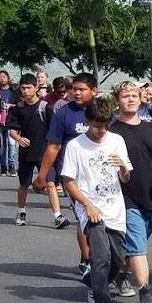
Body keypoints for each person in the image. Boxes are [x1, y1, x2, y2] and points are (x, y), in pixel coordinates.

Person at [59, 98, 132, 303]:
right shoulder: (75, 146)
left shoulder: (117, 141)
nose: (101, 131)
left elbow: (126, 178)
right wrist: (87, 205)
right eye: (96, 126)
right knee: (100, 258)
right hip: (90, 209)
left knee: (117, 260)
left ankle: (93, 283)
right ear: (87, 122)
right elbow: (68, 181)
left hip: (115, 209)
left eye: (105, 126)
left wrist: (123, 167)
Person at [112, 81, 152, 303]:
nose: (130, 99)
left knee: (137, 243)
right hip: (124, 197)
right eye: (125, 95)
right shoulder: (111, 132)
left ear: (141, 99)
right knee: (138, 244)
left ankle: (120, 271)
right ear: (117, 100)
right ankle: (146, 290)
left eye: (134, 95)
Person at [34, 73, 97, 276]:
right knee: (85, 218)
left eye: (82, 89)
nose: (77, 93)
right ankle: (88, 259)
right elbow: (53, 146)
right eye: (74, 89)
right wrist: (42, 176)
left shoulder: (100, 111)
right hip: (73, 178)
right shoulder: (64, 113)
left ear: (94, 91)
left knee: (102, 220)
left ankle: (99, 256)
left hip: (100, 175)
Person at [7, 76, 62, 228]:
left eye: (29, 87)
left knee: (50, 183)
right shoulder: (18, 108)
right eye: (23, 88)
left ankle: (57, 216)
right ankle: (21, 211)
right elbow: (11, 130)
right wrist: (18, 138)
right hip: (26, 153)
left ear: (36, 88)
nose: (26, 91)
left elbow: (55, 130)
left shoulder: (45, 107)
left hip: (44, 153)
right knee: (24, 184)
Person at [0, 70, 17, 176]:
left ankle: (12, 165)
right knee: (2, 145)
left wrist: (10, 105)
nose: (2, 78)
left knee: (12, 144)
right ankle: (3, 167)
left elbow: (19, 104)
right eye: (0, 77)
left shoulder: (14, 91)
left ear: (8, 78)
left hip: (11, 121)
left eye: (4, 76)